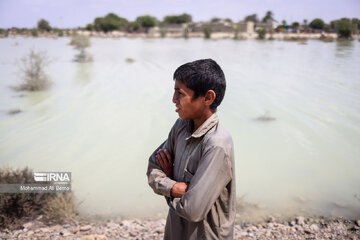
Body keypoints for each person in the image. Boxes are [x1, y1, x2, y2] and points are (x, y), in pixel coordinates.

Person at [146, 59, 236, 240]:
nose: (173, 99)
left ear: (208, 98)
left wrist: (167, 184)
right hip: (176, 230)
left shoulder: (217, 144)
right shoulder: (181, 126)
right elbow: (152, 168)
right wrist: (174, 187)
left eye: (180, 93)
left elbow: (193, 209)